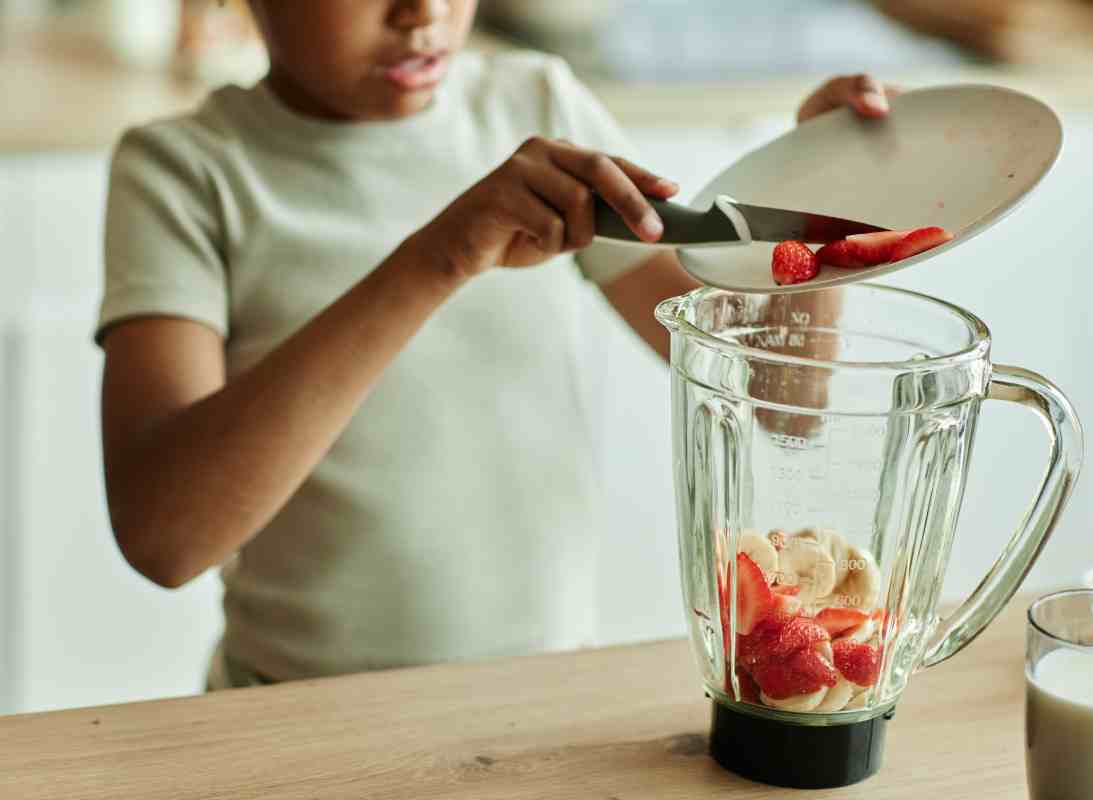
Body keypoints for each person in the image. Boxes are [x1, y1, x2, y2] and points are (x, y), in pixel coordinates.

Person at [97, 0, 899, 689]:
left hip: (536, 707)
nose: (423, 11)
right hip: (293, 717)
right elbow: (166, 539)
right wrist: (440, 258)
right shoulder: (184, 173)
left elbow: (782, 396)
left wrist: (815, 198)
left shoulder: (535, 105)